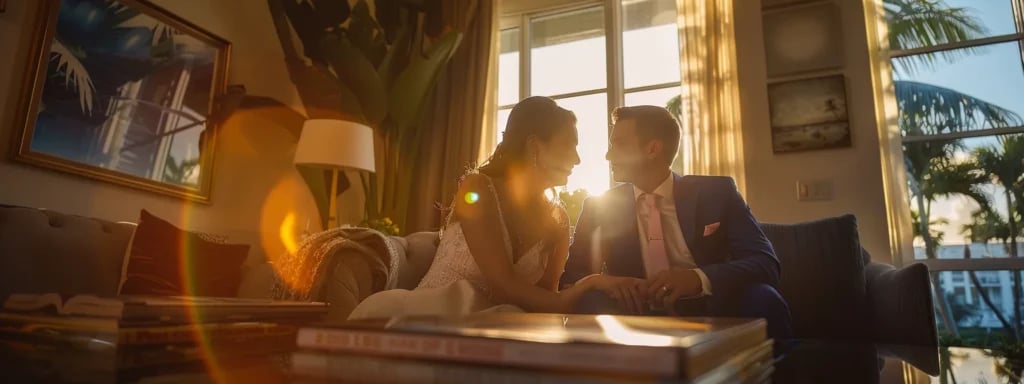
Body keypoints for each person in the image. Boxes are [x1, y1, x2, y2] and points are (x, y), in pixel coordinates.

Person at [349, 96, 597, 319]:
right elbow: (503, 285)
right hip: (432, 319)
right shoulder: (477, 188)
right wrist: (584, 288)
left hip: (504, 330)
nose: (577, 159)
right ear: (534, 146)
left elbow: (546, 301)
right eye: (568, 145)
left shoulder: (557, 220)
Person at [560, 105, 793, 339]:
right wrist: (605, 282)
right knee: (590, 302)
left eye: (618, 144)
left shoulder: (717, 192)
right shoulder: (599, 207)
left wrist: (696, 278)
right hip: (633, 312)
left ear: (653, 149)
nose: (608, 155)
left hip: (714, 306)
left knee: (765, 298)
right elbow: (571, 279)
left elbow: (765, 262)